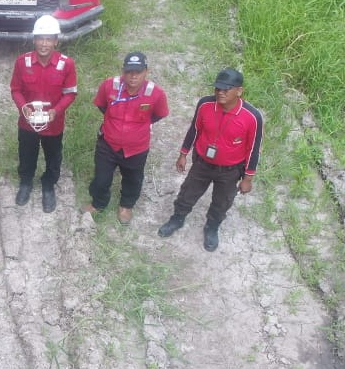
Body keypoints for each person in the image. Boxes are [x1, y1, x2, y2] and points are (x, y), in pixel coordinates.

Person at [157, 67, 263, 252]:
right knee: (187, 194)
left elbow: (253, 149)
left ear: (239, 91)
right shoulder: (205, 104)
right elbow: (194, 130)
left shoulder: (252, 117)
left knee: (222, 202)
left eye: (226, 89)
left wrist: (248, 178)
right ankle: (177, 219)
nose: (220, 92)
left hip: (230, 170)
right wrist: (183, 154)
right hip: (202, 164)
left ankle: (212, 228)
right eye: (218, 88)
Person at [83, 51, 169, 224]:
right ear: (123, 71)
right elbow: (102, 105)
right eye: (129, 71)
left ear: (147, 71)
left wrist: (137, 129)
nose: (133, 76)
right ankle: (98, 203)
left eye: (138, 72)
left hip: (137, 148)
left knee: (133, 179)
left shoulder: (156, 93)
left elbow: (159, 114)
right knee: (101, 178)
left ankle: (126, 206)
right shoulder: (109, 86)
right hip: (108, 144)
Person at [10, 15, 78, 212]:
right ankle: (26, 182)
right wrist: (23, 107)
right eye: (40, 38)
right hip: (28, 122)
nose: (44, 43)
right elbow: (15, 89)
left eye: (49, 39)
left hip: (53, 124)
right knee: (26, 153)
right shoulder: (22, 62)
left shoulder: (67, 64)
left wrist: (56, 111)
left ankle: (48, 185)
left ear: (56, 41)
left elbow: (70, 93)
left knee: (53, 156)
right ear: (34, 39)